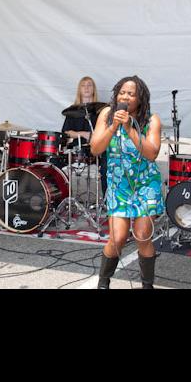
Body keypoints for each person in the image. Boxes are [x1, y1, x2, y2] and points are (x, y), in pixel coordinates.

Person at [90, 76, 164, 289]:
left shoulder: (152, 120)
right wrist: (114, 126)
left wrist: (130, 129)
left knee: (142, 235)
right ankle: (103, 283)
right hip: (118, 185)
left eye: (131, 94)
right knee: (118, 238)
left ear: (140, 99)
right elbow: (95, 149)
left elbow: (151, 154)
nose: (125, 97)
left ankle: (147, 285)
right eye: (122, 92)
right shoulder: (107, 114)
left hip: (145, 184)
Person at [61, 76, 108, 197]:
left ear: (94, 89)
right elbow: (66, 132)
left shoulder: (101, 111)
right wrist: (83, 134)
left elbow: (106, 132)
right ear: (79, 90)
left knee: (107, 167)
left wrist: (94, 136)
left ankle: (107, 201)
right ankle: (62, 198)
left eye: (89, 85)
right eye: (83, 85)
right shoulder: (72, 111)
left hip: (97, 150)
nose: (86, 88)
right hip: (77, 150)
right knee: (54, 162)